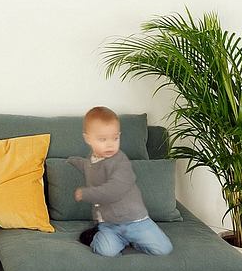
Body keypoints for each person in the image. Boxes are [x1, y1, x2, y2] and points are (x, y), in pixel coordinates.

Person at [69, 106, 173, 257]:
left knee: (163, 249)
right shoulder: (92, 158)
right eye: (102, 139)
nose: (110, 144)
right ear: (88, 139)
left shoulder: (120, 162)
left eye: (115, 138)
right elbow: (89, 167)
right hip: (109, 225)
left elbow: (114, 190)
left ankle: (134, 240)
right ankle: (97, 237)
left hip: (135, 221)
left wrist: (86, 193)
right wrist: (74, 161)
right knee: (106, 251)